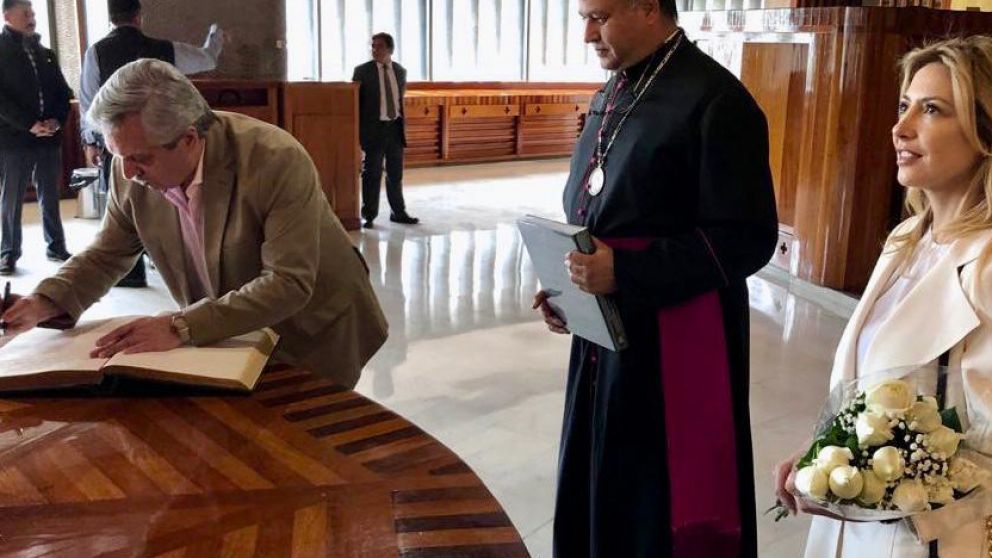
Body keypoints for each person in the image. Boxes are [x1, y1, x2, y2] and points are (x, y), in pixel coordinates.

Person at [532, 0, 777, 556]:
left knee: (654, 489)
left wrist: (627, 270)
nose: (588, 34)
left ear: (647, 8)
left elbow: (748, 236)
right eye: (583, 19)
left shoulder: (717, 100)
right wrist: (565, 284)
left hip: (675, 337)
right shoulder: (614, 90)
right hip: (605, 324)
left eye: (600, 17)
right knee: (601, 469)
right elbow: (596, 209)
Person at [0, 59, 389, 388]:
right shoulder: (129, 166)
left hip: (313, 327)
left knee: (306, 452)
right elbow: (107, 254)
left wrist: (180, 326)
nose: (128, 171)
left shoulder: (273, 158)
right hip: (230, 329)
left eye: (141, 158)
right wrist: (44, 302)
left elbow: (289, 282)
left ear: (188, 139)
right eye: (118, 155)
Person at [774, 36, 992, 558]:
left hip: (932, 542)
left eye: (932, 109)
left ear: (985, 133)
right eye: (904, 105)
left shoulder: (986, 265)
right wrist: (828, 456)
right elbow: (867, 388)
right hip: (850, 532)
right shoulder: (907, 239)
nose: (900, 127)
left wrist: (879, 489)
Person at [79, 0, 225, 287]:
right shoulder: (166, 49)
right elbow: (207, 59)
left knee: (134, 204)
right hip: (138, 144)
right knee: (129, 210)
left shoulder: (95, 52)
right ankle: (155, 256)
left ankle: (136, 271)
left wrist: (91, 140)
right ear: (139, 16)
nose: (128, 172)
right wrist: (215, 35)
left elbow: (87, 102)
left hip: (121, 143)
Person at [0, 0, 73, 276]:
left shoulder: (46, 53)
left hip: (48, 137)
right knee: (12, 196)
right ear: (7, 16)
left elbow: (62, 93)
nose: (32, 18)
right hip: (13, 138)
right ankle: (8, 253)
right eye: (25, 14)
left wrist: (56, 120)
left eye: (33, 13)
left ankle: (56, 245)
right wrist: (29, 124)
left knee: (50, 193)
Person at [352, 32, 418, 229]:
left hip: (395, 128)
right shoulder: (362, 71)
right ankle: (369, 215)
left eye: (379, 46)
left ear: (390, 49)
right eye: (373, 46)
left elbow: (398, 100)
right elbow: (357, 103)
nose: (375, 49)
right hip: (374, 129)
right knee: (371, 173)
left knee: (395, 173)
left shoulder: (400, 71)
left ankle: (398, 212)